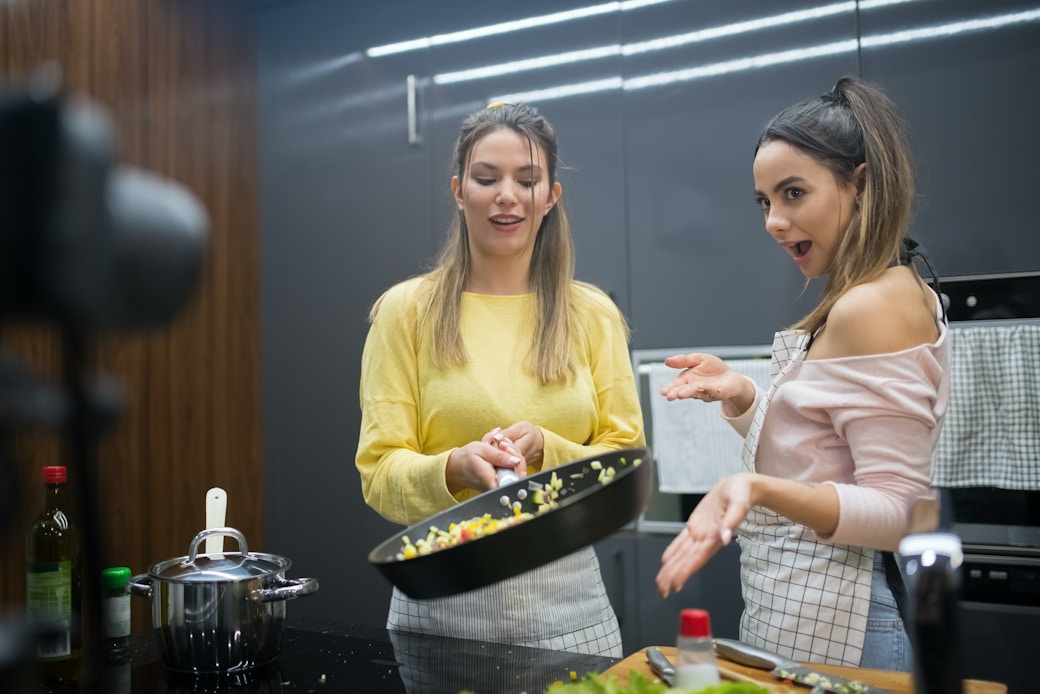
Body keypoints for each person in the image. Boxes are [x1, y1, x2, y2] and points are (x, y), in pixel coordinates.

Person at [654, 76, 950, 671]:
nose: (774, 220)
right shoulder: (871, 291)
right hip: (799, 619)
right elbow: (822, 449)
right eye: (765, 201)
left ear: (859, 184)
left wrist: (754, 489)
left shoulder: (872, 306)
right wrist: (742, 396)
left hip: (847, 628)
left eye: (793, 193)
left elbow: (899, 512)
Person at [355, 102, 644, 657]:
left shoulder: (592, 313)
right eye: (487, 178)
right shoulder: (406, 310)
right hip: (440, 611)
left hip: (571, 612)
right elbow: (379, 470)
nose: (506, 195)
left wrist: (547, 453)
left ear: (550, 196)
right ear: (460, 190)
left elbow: (625, 459)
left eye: (527, 179)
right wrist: (453, 469)